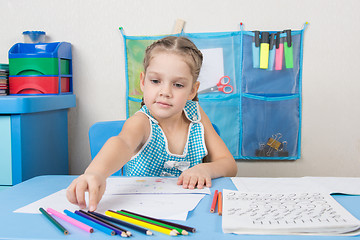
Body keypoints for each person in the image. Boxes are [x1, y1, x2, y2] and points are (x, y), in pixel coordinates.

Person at [67, 36, 238, 211]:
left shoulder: (197, 115)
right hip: (140, 214)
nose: (165, 92)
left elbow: (229, 164)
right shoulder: (141, 122)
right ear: (143, 81)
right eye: (155, 81)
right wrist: (96, 173)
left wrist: (206, 169)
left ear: (192, 90)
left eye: (178, 85)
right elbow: (122, 143)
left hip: (189, 214)